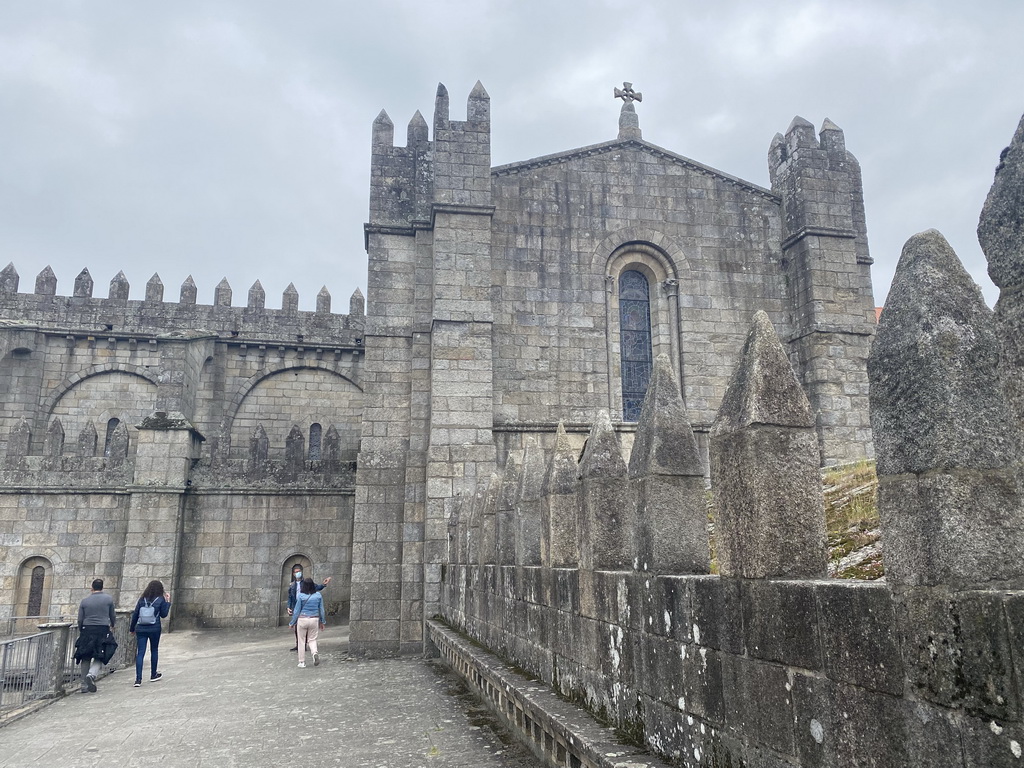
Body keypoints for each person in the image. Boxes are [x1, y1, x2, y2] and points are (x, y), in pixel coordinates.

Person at [73, 578, 116, 693]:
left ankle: (83, 685)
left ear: (92, 588)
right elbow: (112, 615)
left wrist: (81, 629)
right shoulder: (108, 599)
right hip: (102, 629)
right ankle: (92, 674)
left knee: (85, 656)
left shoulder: (84, 601)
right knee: (100, 655)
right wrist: (112, 625)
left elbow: (80, 619)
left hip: (87, 629)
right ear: (102, 587)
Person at [129, 580, 171, 687]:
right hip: (154, 628)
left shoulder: (142, 599)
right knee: (154, 650)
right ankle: (153, 674)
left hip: (141, 628)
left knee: (141, 652)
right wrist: (167, 602)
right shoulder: (160, 599)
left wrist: (132, 628)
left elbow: (135, 615)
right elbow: (163, 615)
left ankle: (138, 679)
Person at [286, 564, 330, 651]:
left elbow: (316, 587)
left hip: (305, 606)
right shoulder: (292, 585)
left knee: (303, 627)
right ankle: (298, 644)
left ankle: (303, 644)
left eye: (299, 571)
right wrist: (288, 607)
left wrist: (323, 584)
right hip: (296, 606)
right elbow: (290, 597)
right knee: (296, 628)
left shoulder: (305, 583)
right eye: (296, 572)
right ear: (293, 574)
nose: (298, 573)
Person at [288, 577, 325, 668]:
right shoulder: (318, 596)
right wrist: (322, 621)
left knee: (301, 641)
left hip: (302, 619)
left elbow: (297, 610)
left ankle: (302, 662)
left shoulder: (300, 596)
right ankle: (314, 653)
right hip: (314, 619)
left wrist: (292, 622)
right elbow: (321, 610)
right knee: (312, 639)